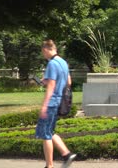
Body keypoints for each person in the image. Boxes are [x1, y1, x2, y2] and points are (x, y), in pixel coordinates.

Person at [35, 39, 76, 168]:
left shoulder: (52, 64)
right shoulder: (63, 62)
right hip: (59, 101)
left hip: (52, 102)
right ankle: (66, 154)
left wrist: (44, 105)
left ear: (46, 49)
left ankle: (49, 165)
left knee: (45, 133)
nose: (44, 55)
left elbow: (52, 86)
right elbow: (68, 82)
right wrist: (48, 80)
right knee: (50, 131)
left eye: (43, 52)